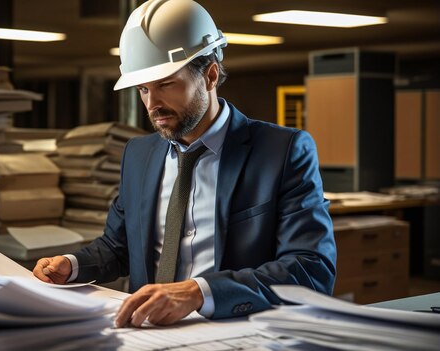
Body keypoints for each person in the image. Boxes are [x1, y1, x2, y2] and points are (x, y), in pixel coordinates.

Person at [34, 0, 336, 328]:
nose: (153, 104)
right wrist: (71, 264)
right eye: (143, 89)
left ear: (210, 74)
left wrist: (199, 292)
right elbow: (119, 246)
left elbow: (311, 268)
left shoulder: (282, 151)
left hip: (236, 334)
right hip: (146, 335)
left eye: (165, 84)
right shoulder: (138, 154)